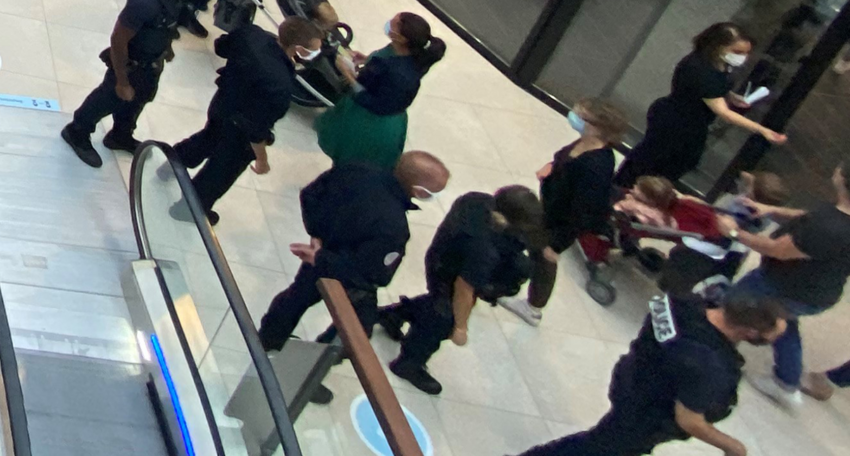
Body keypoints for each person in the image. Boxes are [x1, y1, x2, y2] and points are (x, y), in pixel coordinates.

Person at [514, 291, 785, 456]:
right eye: (774, 333)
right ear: (750, 332)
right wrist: (732, 446)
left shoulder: (680, 302)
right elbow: (690, 420)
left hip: (633, 376)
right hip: (645, 416)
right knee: (598, 448)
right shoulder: (708, 365)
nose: (778, 336)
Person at [255, 152, 449, 349]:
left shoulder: (355, 168)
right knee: (356, 333)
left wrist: (316, 236)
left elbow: (310, 194)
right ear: (419, 191)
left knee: (296, 298)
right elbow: (376, 274)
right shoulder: (394, 227)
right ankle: (312, 363)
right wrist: (323, 259)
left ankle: (268, 340)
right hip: (340, 270)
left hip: (322, 250)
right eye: (435, 191)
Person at [377, 185, 541, 394]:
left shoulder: (476, 199)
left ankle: (394, 314)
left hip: (447, 251)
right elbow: (464, 289)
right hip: (448, 271)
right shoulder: (484, 250)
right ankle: (409, 363)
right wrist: (460, 327)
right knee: (445, 316)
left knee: (519, 267)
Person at [724, 157, 850, 407]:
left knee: (733, 307)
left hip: (783, 285)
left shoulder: (829, 227)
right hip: (817, 291)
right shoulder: (836, 216)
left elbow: (777, 249)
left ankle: (709, 349)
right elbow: (809, 215)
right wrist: (773, 210)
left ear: (842, 178)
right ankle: (786, 380)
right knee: (783, 322)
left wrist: (733, 231)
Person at [173, 16, 323, 221]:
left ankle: (173, 161)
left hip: (222, 105)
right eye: (313, 49)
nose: (316, 53)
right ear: (299, 49)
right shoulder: (281, 85)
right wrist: (262, 160)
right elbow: (257, 130)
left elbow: (221, 47)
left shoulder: (251, 34)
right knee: (219, 173)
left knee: (208, 137)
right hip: (239, 134)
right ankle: (187, 209)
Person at [60, 0, 200, 166]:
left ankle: (120, 135)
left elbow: (169, 20)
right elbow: (118, 39)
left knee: (139, 100)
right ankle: (77, 131)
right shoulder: (145, 1)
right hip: (131, 64)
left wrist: (167, 45)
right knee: (108, 98)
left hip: (152, 61)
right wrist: (122, 80)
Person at [617, 22, 785, 185]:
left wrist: (730, 95)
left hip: (689, 120)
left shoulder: (716, 63)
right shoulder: (701, 71)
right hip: (677, 122)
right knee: (655, 161)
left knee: (673, 160)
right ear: (718, 46)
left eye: (745, 53)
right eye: (737, 52)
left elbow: (714, 90)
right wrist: (762, 130)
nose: (742, 58)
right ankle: (626, 186)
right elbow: (723, 111)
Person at [512, 99, 634, 322]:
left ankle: (533, 308)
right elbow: (563, 161)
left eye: (581, 116)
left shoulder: (597, 165)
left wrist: (558, 244)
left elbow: (584, 211)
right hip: (550, 208)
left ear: (596, 126)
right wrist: (551, 168)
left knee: (545, 259)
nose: (574, 116)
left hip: (560, 221)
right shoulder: (583, 143)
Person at [316, 11, 447, 169]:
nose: (389, 24)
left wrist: (347, 74)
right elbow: (382, 62)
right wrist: (366, 59)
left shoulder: (400, 75)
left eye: (393, 24)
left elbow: (372, 100)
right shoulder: (403, 50)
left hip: (372, 121)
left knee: (351, 159)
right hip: (370, 106)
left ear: (401, 38)